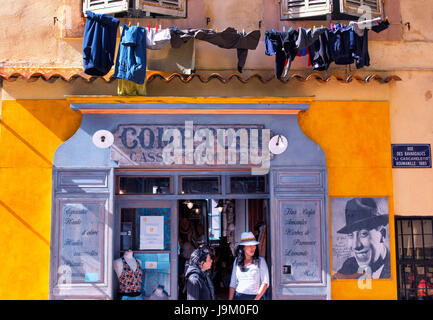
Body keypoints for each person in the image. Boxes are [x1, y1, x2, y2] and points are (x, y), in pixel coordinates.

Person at [334, 198, 391, 279]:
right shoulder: (349, 266)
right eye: (350, 235)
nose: (356, 246)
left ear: (382, 235)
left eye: (363, 234)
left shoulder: (393, 268)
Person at [228, 232, 269, 300]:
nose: (253, 248)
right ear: (243, 247)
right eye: (249, 246)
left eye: (254, 245)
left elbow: (265, 283)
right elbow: (232, 284)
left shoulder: (260, 261)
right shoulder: (237, 261)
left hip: (255, 297)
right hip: (238, 297)